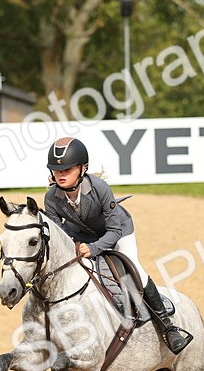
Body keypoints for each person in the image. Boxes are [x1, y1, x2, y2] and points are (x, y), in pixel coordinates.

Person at [42, 137, 192, 354]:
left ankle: (169, 329)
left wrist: (93, 249)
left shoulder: (100, 188)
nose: (60, 174)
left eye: (67, 169)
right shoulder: (51, 198)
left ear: (83, 168)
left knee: (136, 271)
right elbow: (58, 235)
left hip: (118, 231)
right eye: (56, 170)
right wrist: (73, 244)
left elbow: (114, 231)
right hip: (83, 235)